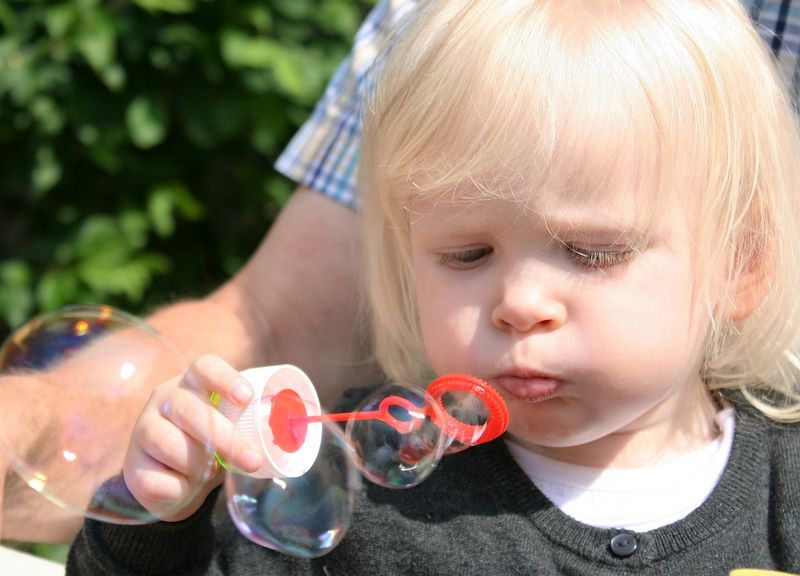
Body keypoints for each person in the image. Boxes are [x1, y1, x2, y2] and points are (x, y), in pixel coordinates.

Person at [1, 0, 797, 550]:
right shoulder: (365, 493)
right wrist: (163, 519)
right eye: (466, 256)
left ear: (743, 263)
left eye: (592, 253)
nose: (519, 303)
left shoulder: (784, 498)